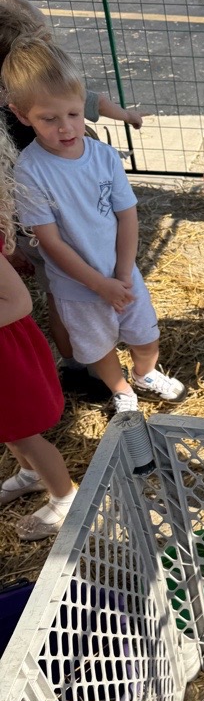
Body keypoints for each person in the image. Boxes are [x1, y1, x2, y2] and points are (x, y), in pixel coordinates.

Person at [3, 36, 186, 414]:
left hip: (123, 274)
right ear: (21, 115)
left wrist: (123, 273)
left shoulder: (103, 156)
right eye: (49, 119)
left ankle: (145, 373)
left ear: (82, 101)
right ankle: (121, 390)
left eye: (73, 114)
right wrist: (99, 284)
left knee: (146, 336)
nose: (66, 128)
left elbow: (127, 215)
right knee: (98, 348)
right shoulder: (30, 171)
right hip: (77, 288)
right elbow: (50, 241)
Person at [0, 0, 146, 401]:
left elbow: (90, 99)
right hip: (38, 218)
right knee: (64, 293)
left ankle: (84, 357)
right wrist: (10, 243)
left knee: (64, 292)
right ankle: (81, 362)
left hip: (54, 216)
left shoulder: (41, 90)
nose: (64, 125)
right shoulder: (27, 113)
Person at [0, 120, 77, 541]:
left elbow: (19, 302)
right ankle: (30, 475)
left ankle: (64, 496)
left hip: (7, 359)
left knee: (26, 434)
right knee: (10, 431)